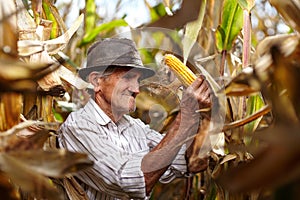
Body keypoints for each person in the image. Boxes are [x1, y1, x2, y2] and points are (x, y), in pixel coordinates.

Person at [58, 38, 212, 199]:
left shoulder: (137, 128)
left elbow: (191, 162)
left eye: (138, 80)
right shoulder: (78, 127)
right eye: (127, 78)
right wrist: (185, 115)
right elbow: (132, 182)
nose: (137, 89)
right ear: (97, 81)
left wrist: (206, 115)